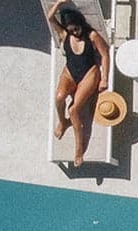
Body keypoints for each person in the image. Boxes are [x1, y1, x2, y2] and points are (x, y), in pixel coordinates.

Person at [47, 0, 112, 167]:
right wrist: (59, 3)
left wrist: (104, 78)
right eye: (71, 30)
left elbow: (105, 55)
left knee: (74, 109)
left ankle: (78, 149)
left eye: (76, 29)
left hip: (89, 74)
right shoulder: (65, 35)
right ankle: (63, 122)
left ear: (80, 23)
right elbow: (50, 18)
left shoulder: (92, 36)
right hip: (70, 73)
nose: (74, 33)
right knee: (59, 98)